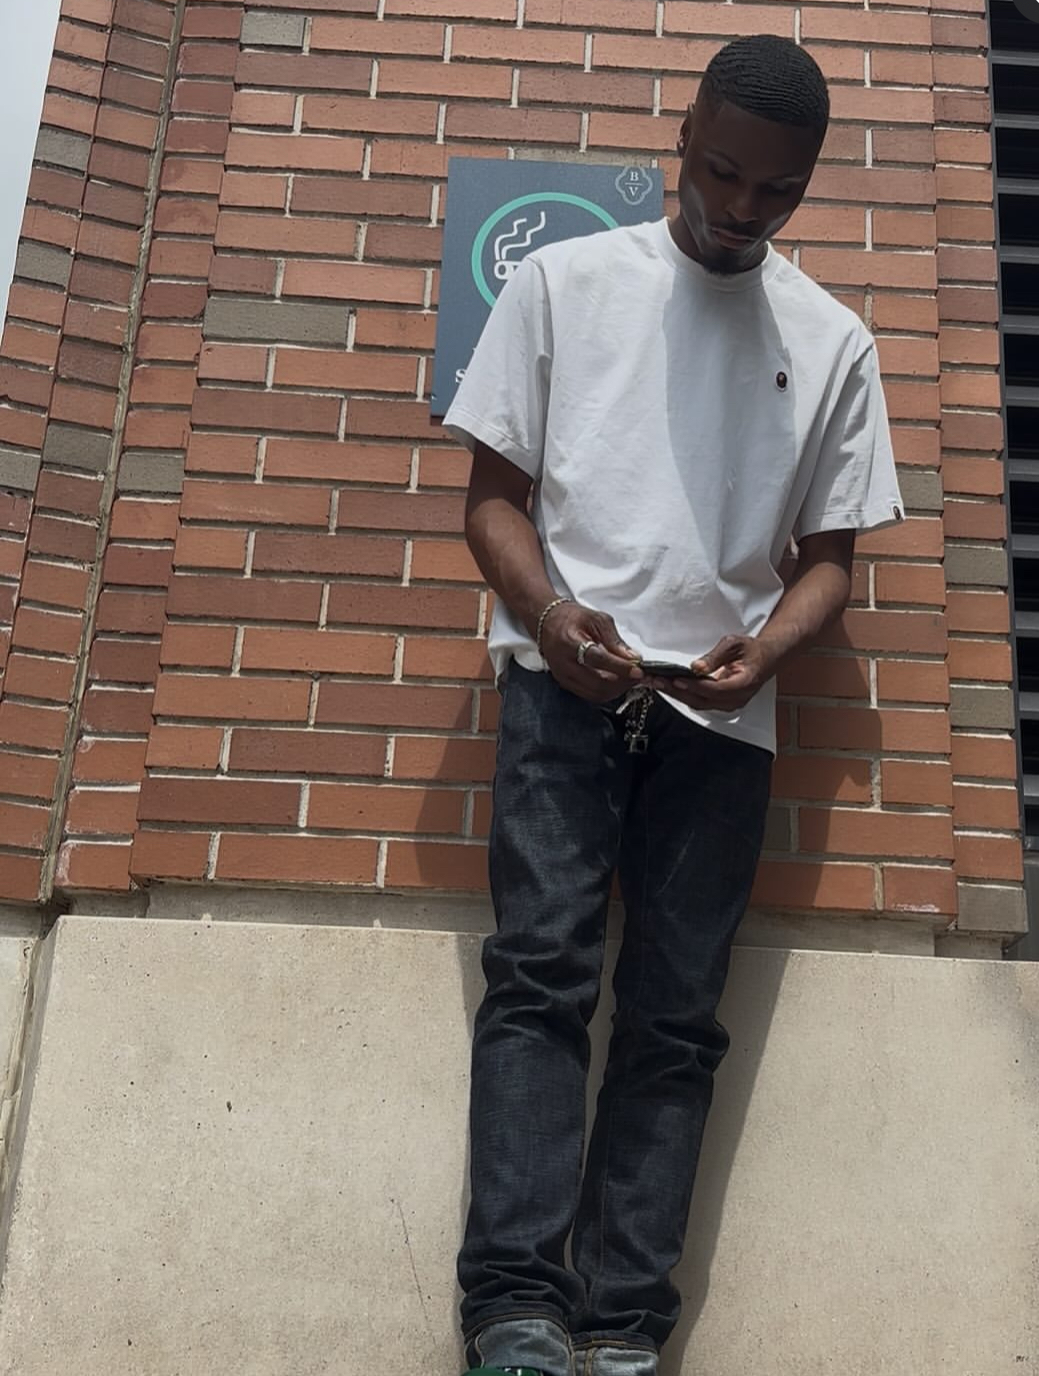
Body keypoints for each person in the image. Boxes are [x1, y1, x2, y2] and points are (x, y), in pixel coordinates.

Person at [442, 33, 902, 1376]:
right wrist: (548, 617)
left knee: (674, 1017)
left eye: (776, 192)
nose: (740, 209)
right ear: (683, 135)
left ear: (806, 185)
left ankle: (626, 1324)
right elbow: (491, 501)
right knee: (536, 986)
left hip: (720, 721)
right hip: (559, 691)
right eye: (720, 174)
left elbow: (830, 565)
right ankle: (516, 1313)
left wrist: (764, 655)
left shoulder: (831, 342)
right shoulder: (562, 281)